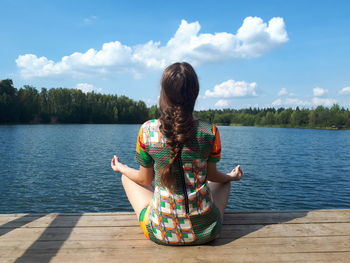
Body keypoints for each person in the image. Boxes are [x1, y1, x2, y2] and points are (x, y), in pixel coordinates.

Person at [111, 62, 243, 245]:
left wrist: (121, 168)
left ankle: (162, 217)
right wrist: (232, 176)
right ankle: (204, 220)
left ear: (163, 93)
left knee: (128, 177)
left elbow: (144, 180)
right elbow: (212, 176)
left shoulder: (147, 130)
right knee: (225, 183)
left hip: (161, 233)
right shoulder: (210, 131)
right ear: (195, 93)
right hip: (206, 233)